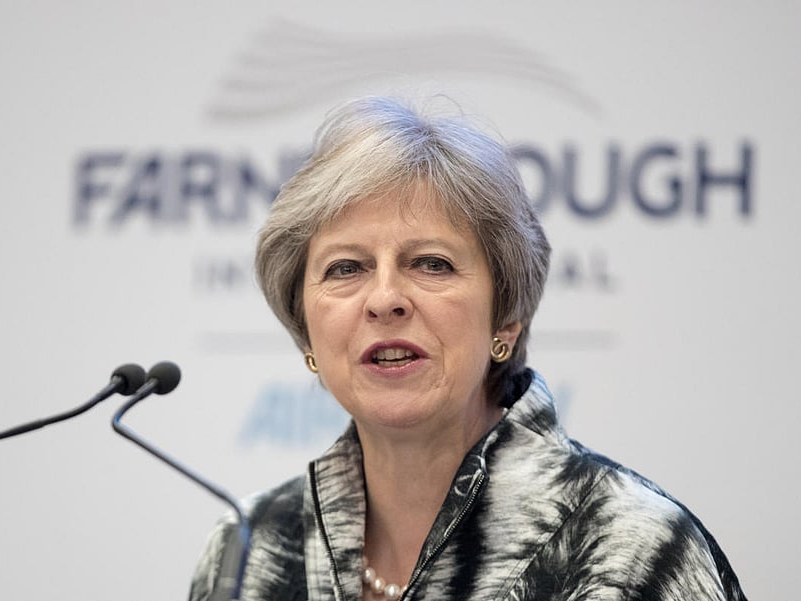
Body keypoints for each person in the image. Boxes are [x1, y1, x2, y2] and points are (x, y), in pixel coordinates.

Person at [189, 96, 747, 601]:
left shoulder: (631, 548)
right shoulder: (249, 551)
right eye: (346, 268)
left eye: (431, 263)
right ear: (305, 328)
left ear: (506, 316)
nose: (385, 299)